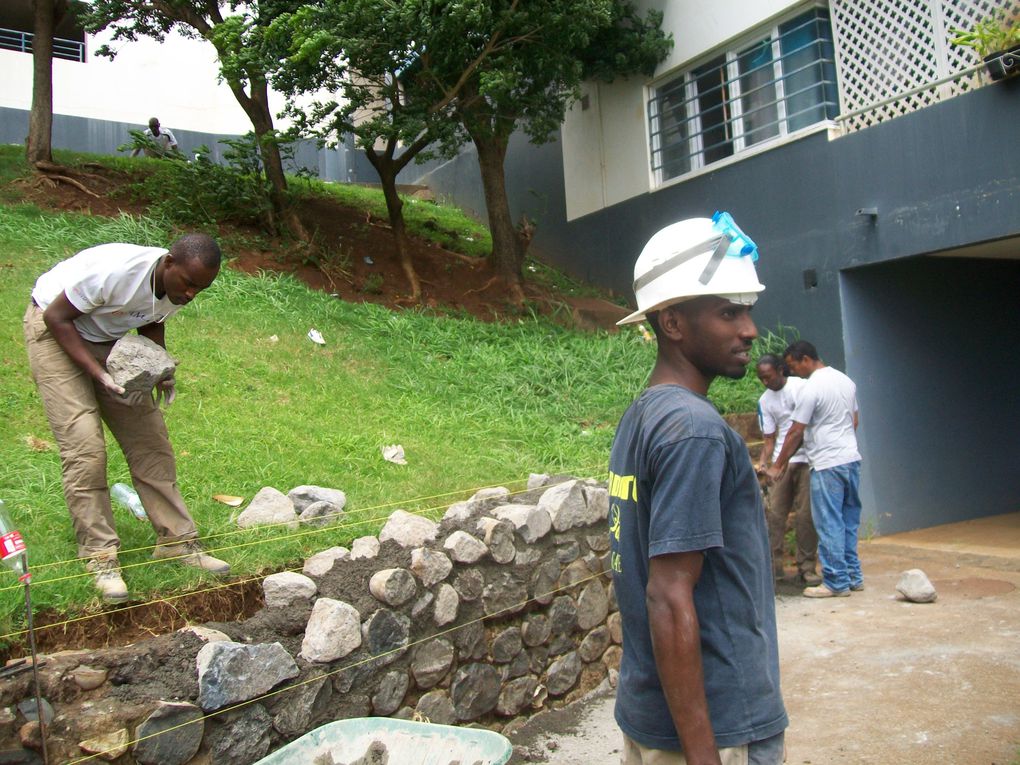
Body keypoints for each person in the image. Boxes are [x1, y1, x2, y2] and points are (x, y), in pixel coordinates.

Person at [609, 213, 787, 764]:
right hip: (716, 726)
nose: (750, 331)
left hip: (651, 714)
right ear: (673, 323)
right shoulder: (694, 431)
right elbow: (667, 595)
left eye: (748, 311)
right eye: (728, 312)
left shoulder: (646, 414)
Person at [24, 234, 230, 604]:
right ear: (168, 263)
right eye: (189, 284)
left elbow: (152, 321)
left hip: (110, 340)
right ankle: (100, 556)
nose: (192, 294)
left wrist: (159, 369)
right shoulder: (116, 272)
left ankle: (177, 542)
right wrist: (97, 373)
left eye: (202, 288)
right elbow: (58, 316)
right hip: (55, 331)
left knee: (150, 440)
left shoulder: (179, 286)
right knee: (85, 447)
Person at [766, 340, 862, 598]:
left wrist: (777, 465)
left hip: (827, 463)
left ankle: (835, 582)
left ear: (805, 359)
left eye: (792, 365)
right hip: (851, 459)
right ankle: (853, 576)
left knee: (828, 521)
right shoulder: (845, 380)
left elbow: (796, 431)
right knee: (848, 520)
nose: (792, 371)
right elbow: (854, 420)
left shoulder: (812, 388)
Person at [755, 354, 820, 586]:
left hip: (806, 459)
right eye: (761, 378)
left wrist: (777, 464)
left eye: (768, 377)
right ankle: (774, 568)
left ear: (781, 370)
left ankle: (807, 567)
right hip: (781, 464)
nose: (765, 382)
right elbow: (769, 439)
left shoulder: (801, 388)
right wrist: (765, 462)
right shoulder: (765, 401)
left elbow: (800, 430)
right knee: (774, 515)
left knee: (805, 516)